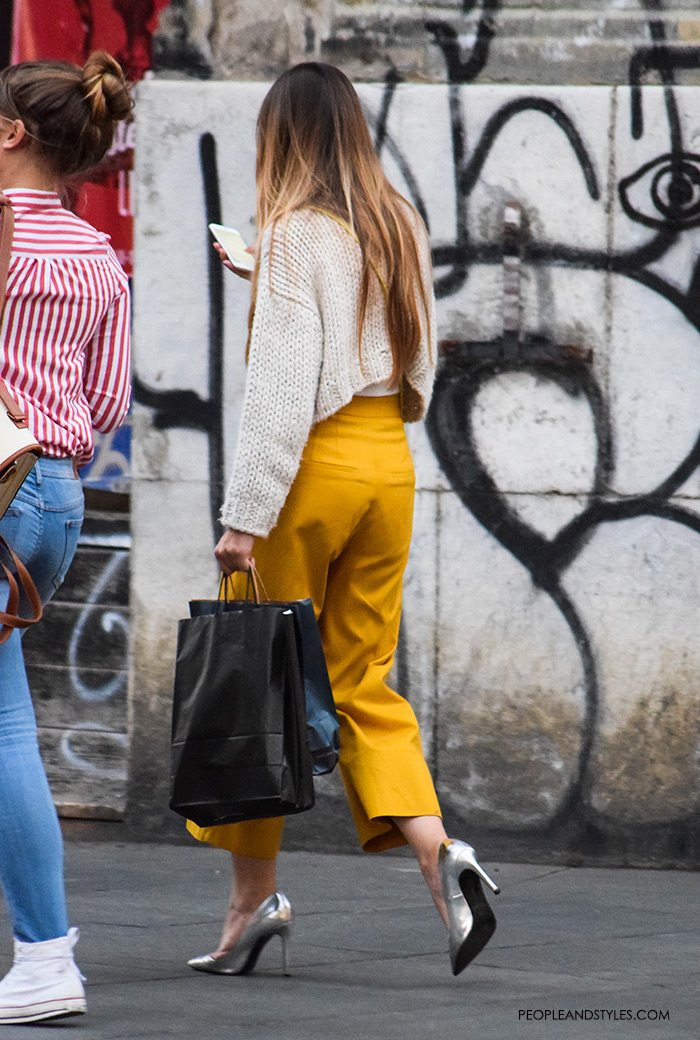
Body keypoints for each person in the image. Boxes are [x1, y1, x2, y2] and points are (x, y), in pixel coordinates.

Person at [186, 61, 499, 979]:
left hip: (311, 471)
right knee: (362, 679)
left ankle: (253, 904)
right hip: (387, 465)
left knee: (262, 683)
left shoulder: (294, 233)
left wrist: (245, 517)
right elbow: (407, 354)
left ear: (283, 135)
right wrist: (262, 271)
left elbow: (284, 389)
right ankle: (446, 863)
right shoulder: (396, 221)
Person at [0, 52, 132, 1023]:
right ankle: (43, 950)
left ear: (11, 134)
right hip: (55, 497)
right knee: (5, 724)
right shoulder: (95, 255)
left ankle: (48, 954)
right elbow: (110, 398)